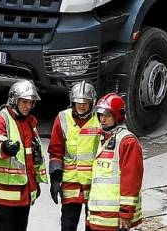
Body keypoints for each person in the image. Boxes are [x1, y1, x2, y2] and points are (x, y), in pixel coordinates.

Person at [0, 79, 49, 231]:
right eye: (24, 102)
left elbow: (33, 157)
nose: (28, 106)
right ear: (14, 100)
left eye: (31, 102)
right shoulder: (0, 119)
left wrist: (35, 184)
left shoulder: (29, 122)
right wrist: (6, 148)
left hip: (24, 193)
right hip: (5, 192)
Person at [49, 81, 103, 231]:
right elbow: (56, 151)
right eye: (79, 102)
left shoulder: (100, 119)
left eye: (86, 102)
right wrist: (55, 179)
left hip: (94, 182)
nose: (82, 105)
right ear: (72, 101)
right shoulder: (62, 118)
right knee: (68, 224)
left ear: (92, 102)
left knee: (92, 225)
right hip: (70, 182)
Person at [85, 93, 143, 230]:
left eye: (108, 115)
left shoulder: (127, 142)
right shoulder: (103, 138)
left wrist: (126, 213)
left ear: (118, 116)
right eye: (101, 114)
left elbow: (131, 180)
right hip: (97, 215)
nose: (102, 119)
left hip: (113, 218)